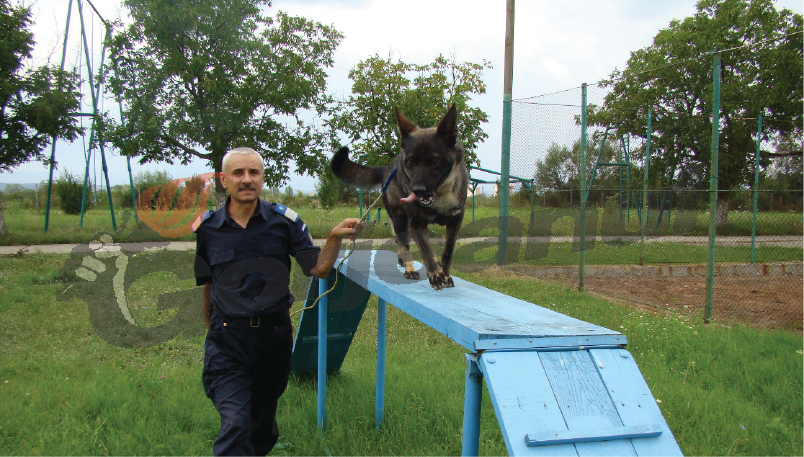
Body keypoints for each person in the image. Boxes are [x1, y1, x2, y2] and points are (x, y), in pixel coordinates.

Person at [193, 147, 363, 455]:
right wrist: (211, 322)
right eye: (238, 173)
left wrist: (334, 238)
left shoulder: (284, 222)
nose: (247, 179)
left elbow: (318, 269)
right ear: (223, 180)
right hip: (227, 339)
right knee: (235, 422)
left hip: (273, 340)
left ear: (262, 178)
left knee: (261, 426)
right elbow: (206, 280)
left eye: (253, 172)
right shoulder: (207, 228)